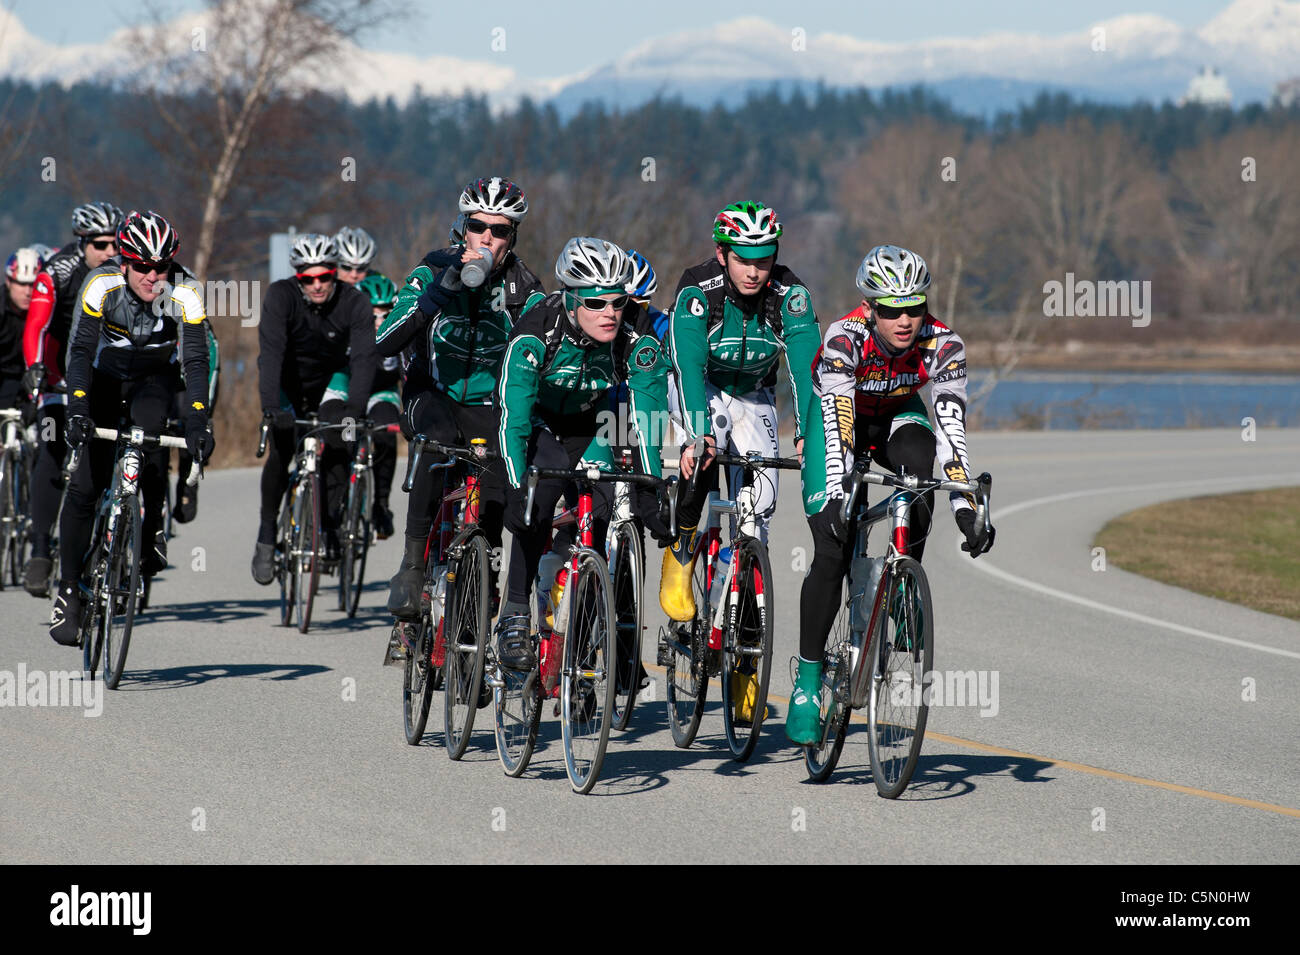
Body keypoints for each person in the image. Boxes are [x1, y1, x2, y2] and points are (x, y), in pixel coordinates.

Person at [787, 244, 996, 744]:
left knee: (921, 472)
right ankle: (808, 681)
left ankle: (902, 587)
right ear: (870, 307)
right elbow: (838, 425)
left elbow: (952, 431)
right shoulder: (845, 339)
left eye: (914, 306)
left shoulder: (944, 344)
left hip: (899, 415)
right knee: (832, 546)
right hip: (841, 421)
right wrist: (838, 492)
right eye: (891, 309)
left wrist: (967, 506)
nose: (904, 320)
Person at [493, 236, 667, 671]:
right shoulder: (536, 332)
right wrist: (518, 487)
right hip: (538, 420)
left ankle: (582, 640)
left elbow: (646, 419)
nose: (610, 313)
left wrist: (650, 488)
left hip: (593, 423)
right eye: (596, 303)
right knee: (542, 490)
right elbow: (512, 417)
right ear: (571, 301)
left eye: (619, 301)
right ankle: (515, 612)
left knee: (602, 507)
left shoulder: (634, 341)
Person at [377, 176, 544, 621]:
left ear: (513, 237)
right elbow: (385, 342)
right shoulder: (430, 270)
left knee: (494, 485)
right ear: (462, 227)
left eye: (501, 229)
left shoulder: (526, 289)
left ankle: (477, 617)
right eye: (478, 226)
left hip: (489, 406)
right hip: (431, 393)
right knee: (437, 440)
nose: (487, 238)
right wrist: (440, 291)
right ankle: (412, 566)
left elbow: (537, 364)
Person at [50, 211, 214, 646]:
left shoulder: (186, 290)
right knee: (85, 484)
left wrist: (199, 417)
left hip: (153, 379)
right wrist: (78, 408)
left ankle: (150, 526)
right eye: (142, 266)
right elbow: (81, 350)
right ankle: (68, 590)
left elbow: (196, 359)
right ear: (123, 262)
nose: (152, 275)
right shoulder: (100, 284)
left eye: (161, 266)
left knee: (152, 437)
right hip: (103, 377)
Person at [658, 201, 821, 627]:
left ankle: (742, 620)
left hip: (754, 393)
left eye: (763, 261)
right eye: (742, 261)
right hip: (701, 386)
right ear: (721, 253)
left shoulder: (790, 296)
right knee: (705, 454)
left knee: (758, 510)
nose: (753, 272)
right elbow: (687, 367)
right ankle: (683, 547)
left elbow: (806, 370)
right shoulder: (698, 291)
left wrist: (807, 434)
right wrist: (697, 433)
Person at [251, 233, 378, 584]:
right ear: (298, 277)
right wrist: (271, 407)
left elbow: (366, 359)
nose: (319, 285)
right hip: (288, 382)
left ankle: (329, 524)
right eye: (309, 278)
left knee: (338, 442)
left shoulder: (354, 302)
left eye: (326, 276)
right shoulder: (281, 295)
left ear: (335, 273)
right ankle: (265, 535)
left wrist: (355, 406)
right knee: (280, 450)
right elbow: (271, 354)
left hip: (330, 384)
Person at [20, 202, 124, 596]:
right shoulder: (58, 271)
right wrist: (34, 367)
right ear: (82, 243)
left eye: (117, 243)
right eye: (101, 244)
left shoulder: (125, 272)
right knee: (51, 446)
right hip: (60, 369)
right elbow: (37, 324)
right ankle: (41, 550)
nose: (111, 252)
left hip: (105, 370)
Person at [2, 248, 43, 409]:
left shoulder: (51, 311)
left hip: (36, 383)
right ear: (8, 282)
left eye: (33, 284)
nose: (27, 292)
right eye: (21, 283)